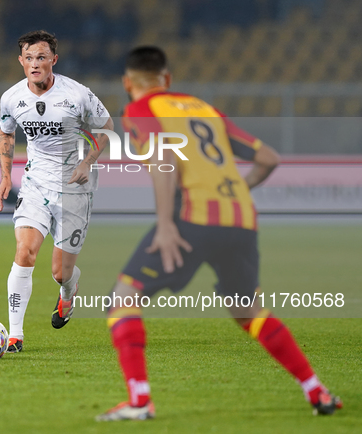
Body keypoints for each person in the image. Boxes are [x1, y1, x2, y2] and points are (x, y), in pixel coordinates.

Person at [95, 46, 342, 421]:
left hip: (192, 218)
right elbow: (268, 158)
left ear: (128, 83)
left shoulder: (140, 110)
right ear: (168, 79)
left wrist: (165, 224)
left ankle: (140, 401)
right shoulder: (203, 108)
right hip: (241, 218)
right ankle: (317, 391)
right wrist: (234, 193)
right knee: (249, 311)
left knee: (124, 297)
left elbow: (163, 161)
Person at [0, 30, 113, 353]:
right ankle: (15, 335)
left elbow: (107, 128)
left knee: (60, 272)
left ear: (53, 61)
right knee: (25, 252)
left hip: (75, 186)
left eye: (42, 58)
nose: (35, 64)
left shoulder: (76, 95)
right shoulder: (11, 98)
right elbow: (6, 135)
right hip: (35, 183)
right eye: (29, 58)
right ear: (21, 61)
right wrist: (6, 176)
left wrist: (89, 162)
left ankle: (68, 291)